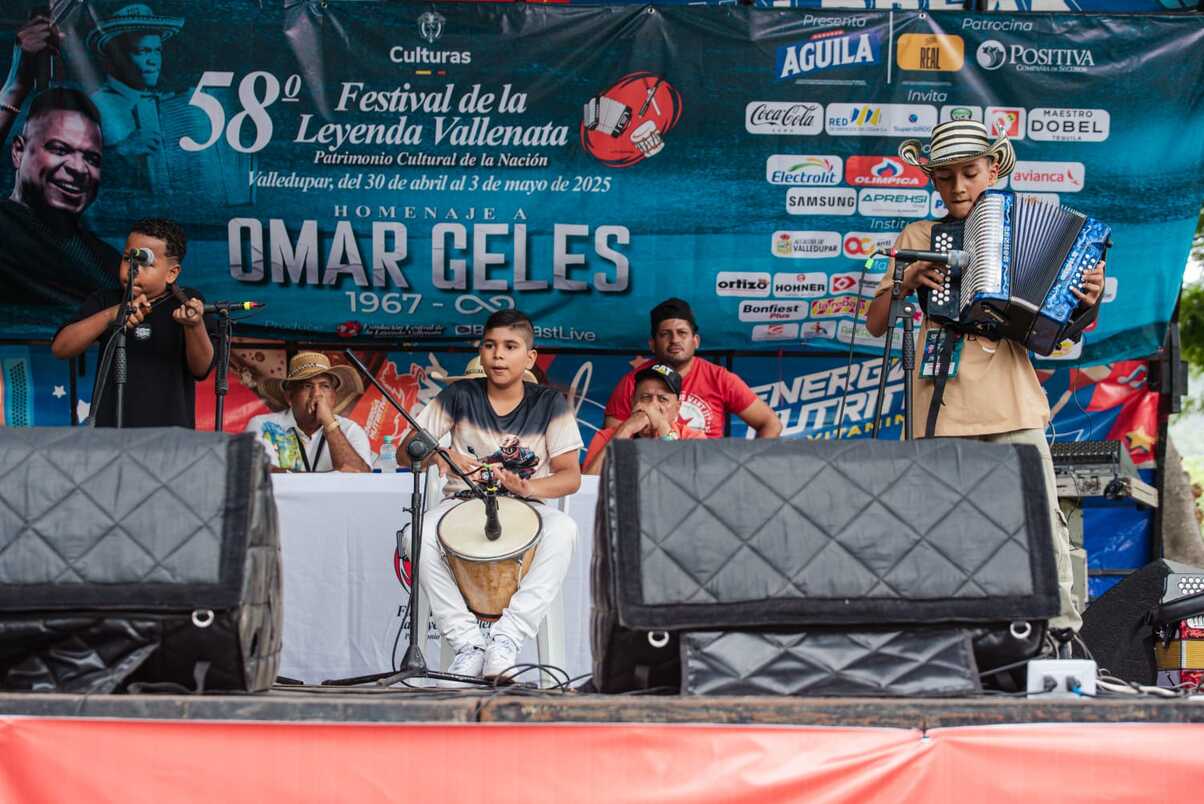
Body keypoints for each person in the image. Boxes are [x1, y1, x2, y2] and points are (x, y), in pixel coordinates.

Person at [866, 119, 1106, 633]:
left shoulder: (1023, 226)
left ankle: (1061, 635)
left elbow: (1064, 331)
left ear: (994, 169)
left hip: (1012, 402)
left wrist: (1087, 301)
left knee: (1040, 521)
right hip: (939, 405)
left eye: (970, 173)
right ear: (931, 180)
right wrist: (905, 281)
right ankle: (944, 634)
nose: (958, 187)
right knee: (941, 527)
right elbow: (876, 322)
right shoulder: (919, 236)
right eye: (945, 177)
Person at [403, 309, 582, 684]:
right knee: (414, 534)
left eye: (510, 346)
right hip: (461, 507)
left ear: (529, 358)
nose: (498, 355)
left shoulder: (551, 404)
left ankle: (506, 639)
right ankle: (467, 643)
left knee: (563, 528)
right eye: (490, 345)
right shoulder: (456, 396)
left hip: (525, 509)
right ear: (481, 352)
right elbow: (409, 450)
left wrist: (527, 487)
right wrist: (442, 454)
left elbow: (570, 477)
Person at [51, 217, 214, 428]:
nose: (133, 270)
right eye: (128, 259)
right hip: (111, 431)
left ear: (172, 274)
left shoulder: (186, 302)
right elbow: (61, 348)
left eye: (145, 262)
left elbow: (202, 369)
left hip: (170, 436)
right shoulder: (105, 300)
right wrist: (112, 315)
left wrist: (195, 326)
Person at [1, 48, 120, 321]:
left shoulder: (109, 263)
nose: (78, 169)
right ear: (18, 151)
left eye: (91, 158)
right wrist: (15, 88)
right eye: (59, 149)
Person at [603, 298, 782, 440]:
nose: (675, 340)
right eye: (665, 334)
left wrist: (748, 469)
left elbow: (771, 423)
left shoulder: (720, 378)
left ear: (695, 341)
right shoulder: (634, 382)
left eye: (682, 333)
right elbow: (610, 441)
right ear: (652, 344)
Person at [87, 4, 183, 193]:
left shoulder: (165, 104)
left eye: (157, 50)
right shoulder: (93, 105)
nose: (153, 60)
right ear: (115, 56)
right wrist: (120, 151)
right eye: (141, 51)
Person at [246, 352, 372, 473]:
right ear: (290, 397)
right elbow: (259, 473)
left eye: (325, 386)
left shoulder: (350, 430)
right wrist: (330, 477)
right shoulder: (263, 425)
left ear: (333, 397)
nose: (317, 394)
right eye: (307, 386)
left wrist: (329, 424)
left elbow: (361, 478)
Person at [583, 363, 706, 475]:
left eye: (663, 399)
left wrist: (662, 425)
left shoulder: (693, 438)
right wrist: (625, 429)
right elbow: (589, 484)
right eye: (645, 397)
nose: (652, 406)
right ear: (633, 402)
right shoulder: (607, 437)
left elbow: (689, 482)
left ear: (677, 408)